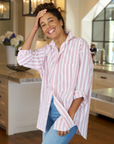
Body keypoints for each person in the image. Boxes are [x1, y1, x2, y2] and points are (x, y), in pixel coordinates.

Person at [17, 2, 93, 144]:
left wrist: (68, 117)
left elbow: (82, 87)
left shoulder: (79, 45)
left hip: (67, 111)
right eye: (43, 25)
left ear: (61, 21)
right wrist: (34, 28)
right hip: (47, 110)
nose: (48, 27)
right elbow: (23, 59)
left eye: (50, 21)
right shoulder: (47, 50)